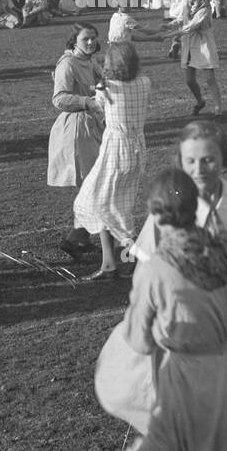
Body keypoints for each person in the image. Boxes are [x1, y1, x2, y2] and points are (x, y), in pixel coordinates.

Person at [113, 169, 227, 451]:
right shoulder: (225, 256)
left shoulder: (155, 269)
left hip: (183, 388)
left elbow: (138, 340)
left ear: (157, 217)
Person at [132, 120, 227, 287]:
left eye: (208, 160)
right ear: (181, 161)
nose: (199, 170)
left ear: (224, 156)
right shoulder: (169, 203)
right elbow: (144, 269)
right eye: (190, 161)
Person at [72, 42, 151, 280]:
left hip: (116, 150)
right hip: (138, 149)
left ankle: (135, 254)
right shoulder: (144, 82)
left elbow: (98, 109)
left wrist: (97, 85)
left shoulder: (106, 87)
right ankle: (110, 263)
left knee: (97, 202)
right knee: (112, 204)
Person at [50, 25, 105, 260]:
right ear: (75, 41)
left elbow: (101, 82)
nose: (91, 42)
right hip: (76, 129)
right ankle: (76, 238)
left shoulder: (90, 60)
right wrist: (87, 101)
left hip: (91, 125)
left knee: (92, 184)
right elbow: (59, 99)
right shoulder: (68, 64)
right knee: (93, 183)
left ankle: (81, 238)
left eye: (93, 38)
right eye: (86, 39)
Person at [161, 0, 222, 116]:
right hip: (189, 44)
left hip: (203, 44)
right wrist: (169, 25)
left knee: (209, 78)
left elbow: (190, 27)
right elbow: (182, 19)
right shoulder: (187, 4)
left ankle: (219, 110)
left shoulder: (205, 8)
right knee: (189, 80)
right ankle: (200, 101)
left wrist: (167, 35)